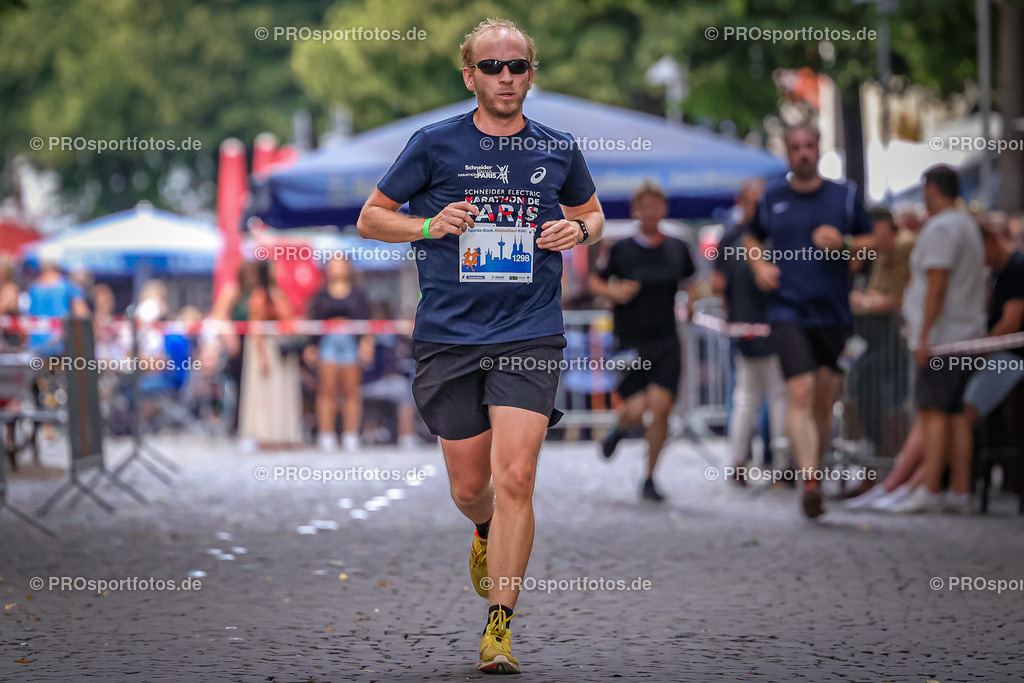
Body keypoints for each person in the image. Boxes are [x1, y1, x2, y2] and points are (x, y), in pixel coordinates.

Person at [356, 17, 602, 674]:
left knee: (515, 475)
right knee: (472, 486)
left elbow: (593, 212)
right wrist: (431, 221)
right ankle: (483, 528)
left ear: (530, 73)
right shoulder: (434, 144)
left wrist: (577, 233)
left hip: (530, 328)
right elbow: (371, 216)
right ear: (469, 76)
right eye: (491, 66)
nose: (505, 77)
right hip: (451, 335)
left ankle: (500, 624)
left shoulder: (557, 146)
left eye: (517, 66)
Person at [744, 124, 874, 518]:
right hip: (787, 309)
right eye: (796, 147)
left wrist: (847, 243)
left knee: (823, 401)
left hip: (833, 313)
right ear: (787, 152)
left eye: (809, 146)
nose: (803, 153)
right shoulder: (772, 196)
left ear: (818, 149)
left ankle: (811, 474)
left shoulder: (845, 196)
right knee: (799, 392)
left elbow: (874, 242)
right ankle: (811, 484)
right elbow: (751, 236)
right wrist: (758, 264)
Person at [591, 180, 694, 501]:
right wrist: (614, 292)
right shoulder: (621, 250)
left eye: (656, 205)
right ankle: (619, 428)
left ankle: (649, 477)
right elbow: (594, 282)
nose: (650, 212)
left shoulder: (678, 247)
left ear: (664, 209)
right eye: (644, 206)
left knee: (661, 408)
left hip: (666, 339)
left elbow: (690, 282)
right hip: (630, 340)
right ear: (636, 210)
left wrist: (690, 302)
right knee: (636, 409)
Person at [891, 165, 986, 513]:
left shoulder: (943, 227)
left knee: (933, 413)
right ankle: (959, 490)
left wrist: (924, 334)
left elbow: (937, 284)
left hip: (944, 338)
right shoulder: (967, 225)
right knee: (957, 414)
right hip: (966, 334)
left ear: (930, 188)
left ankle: (930, 488)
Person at [711, 179, 788, 483]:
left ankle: (742, 464)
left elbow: (718, 285)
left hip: (749, 329)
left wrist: (730, 314)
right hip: (765, 327)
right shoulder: (765, 236)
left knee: (748, 398)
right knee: (772, 396)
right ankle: (777, 466)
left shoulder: (729, 237)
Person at [309, 258, 373, 452]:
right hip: (328, 343)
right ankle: (326, 434)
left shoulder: (359, 294)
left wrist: (366, 343)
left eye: (340, 264)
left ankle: (351, 434)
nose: (336, 268)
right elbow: (314, 321)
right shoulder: (320, 294)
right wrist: (311, 346)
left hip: (350, 343)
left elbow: (366, 320)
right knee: (326, 391)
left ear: (347, 268)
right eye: (333, 264)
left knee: (351, 391)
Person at [237, 261, 303, 449]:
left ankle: (283, 434)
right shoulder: (260, 296)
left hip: (280, 345)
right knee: (266, 392)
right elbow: (256, 328)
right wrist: (263, 356)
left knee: (281, 391)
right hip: (266, 346)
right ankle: (264, 434)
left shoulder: (279, 293)